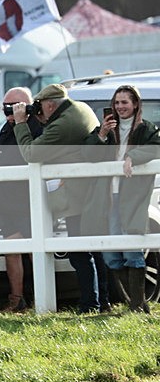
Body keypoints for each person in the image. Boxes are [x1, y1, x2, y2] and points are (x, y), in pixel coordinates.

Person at [12, 84, 100, 313]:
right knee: (92, 249)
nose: (38, 110)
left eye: (40, 106)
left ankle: (90, 304)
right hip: (88, 193)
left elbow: (31, 153)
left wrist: (21, 123)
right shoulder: (80, 108)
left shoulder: (62, 124)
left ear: (50, 105)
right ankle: (101, 301)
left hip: (76, 195)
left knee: (79, 253)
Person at [82, 85, 160, 313]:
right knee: (110, 253)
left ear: (135, 104)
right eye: (116, 103)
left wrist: (133, 156)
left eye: (124, 102)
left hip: (131, 197)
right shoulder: (106, 130)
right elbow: (87, 154)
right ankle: (136, 303)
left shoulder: (146, 129)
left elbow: (156, 148)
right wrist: (102, 134)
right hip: (107, 197)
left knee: (132, 248)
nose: (120, 107)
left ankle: (136, 305)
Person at [0, 87, 43, 312]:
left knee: (34, 250)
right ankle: (16, 300)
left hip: (27, 200)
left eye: (14, 107)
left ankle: (42, 298)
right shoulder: (5, 128)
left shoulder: (36, 126)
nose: (9, 112)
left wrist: (21, 122)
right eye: (5, 107)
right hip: (6, 201)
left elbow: (34, 155)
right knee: (11, 249)